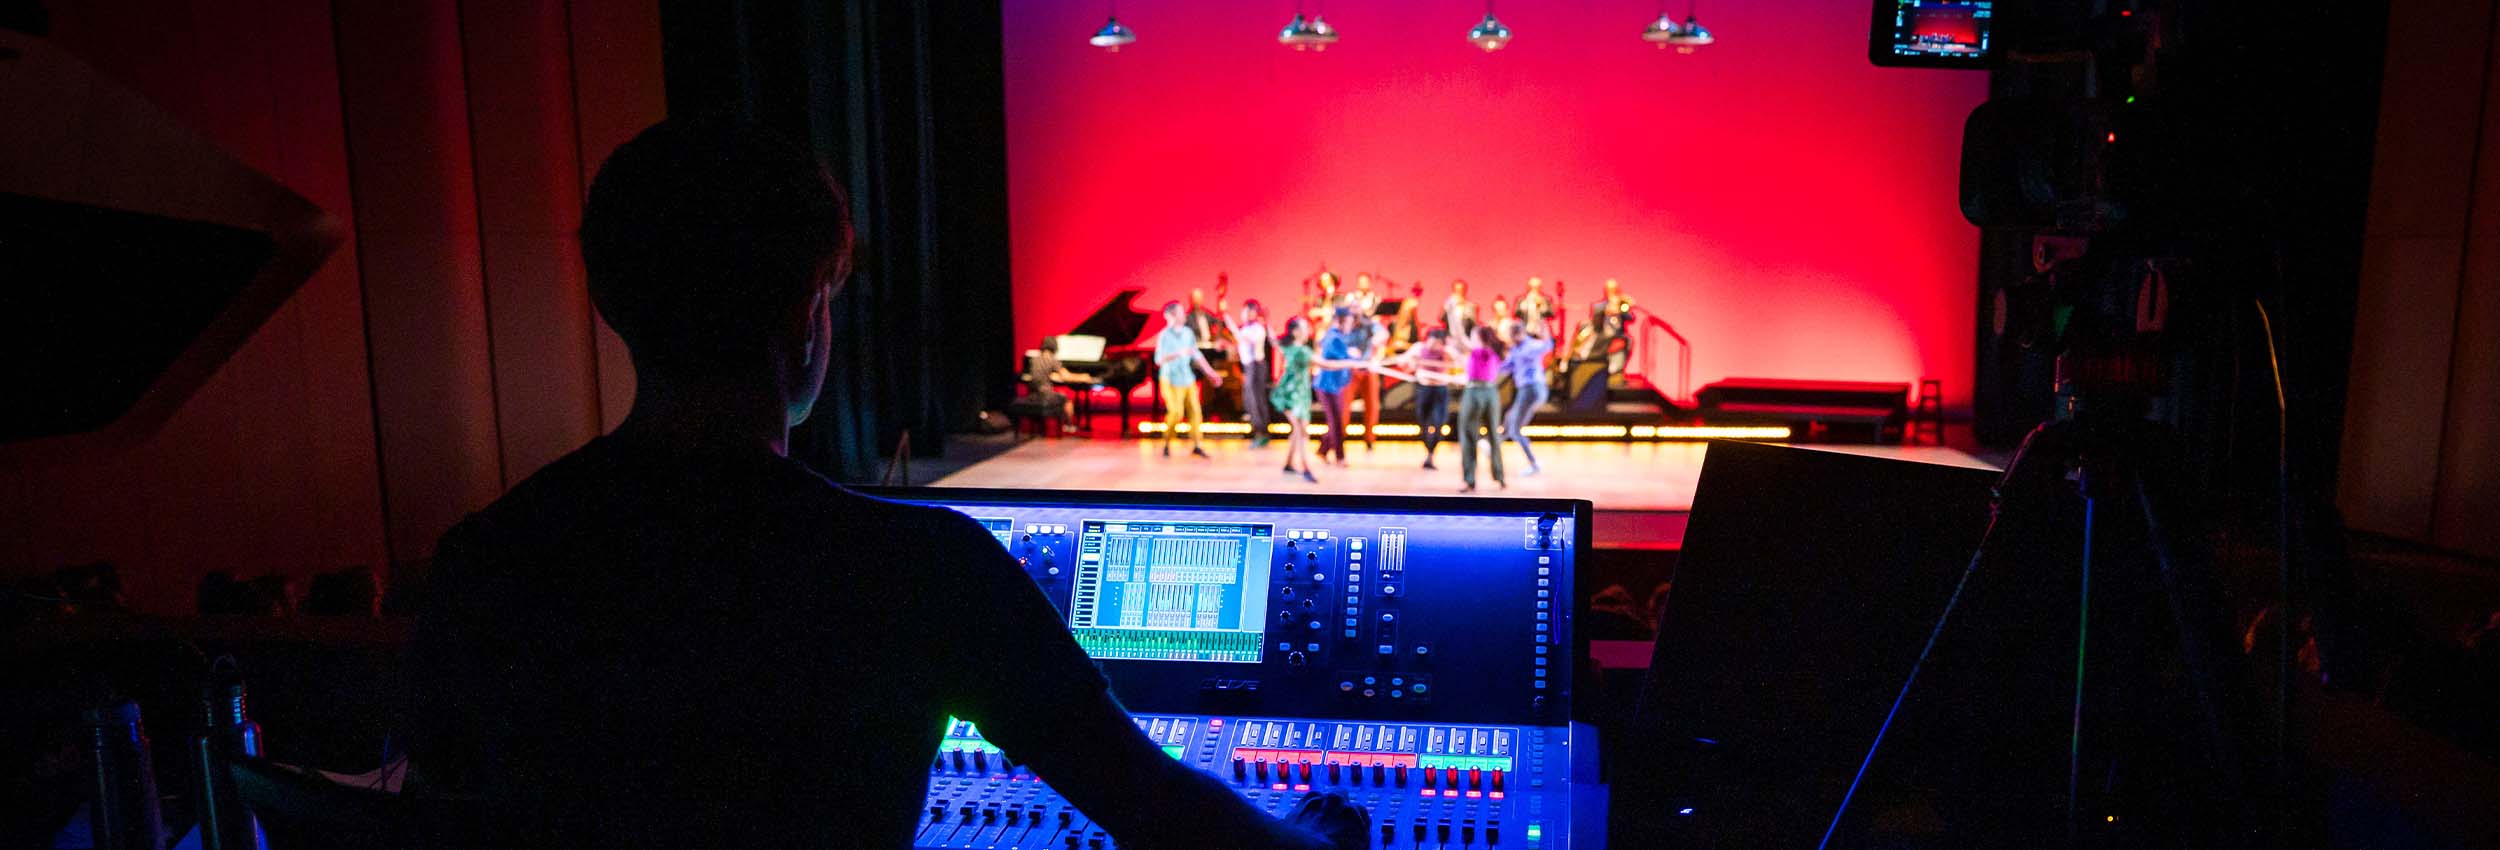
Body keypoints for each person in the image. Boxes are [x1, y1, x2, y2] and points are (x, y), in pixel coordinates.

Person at [404, 118, 1366, 850]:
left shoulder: (486, 556)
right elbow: (1156, 809)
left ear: (611, 305)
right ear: (809, 319)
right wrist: (1320, 834)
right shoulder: (918, 568)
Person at [1155, 299, 1222, 458]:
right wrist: (1178, 353)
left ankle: (1197, 444)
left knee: (1195, 412)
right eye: (1179, 312)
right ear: (1172, 315)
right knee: (1176, 412)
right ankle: (1166, 441)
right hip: (1170, 379)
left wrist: (1211, 373)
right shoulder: (1164, 335)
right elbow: (1159, 359)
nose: (1184, 314)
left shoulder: (1187, 333)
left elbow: (1196, 355)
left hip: (1187, 378)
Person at [1384, 326, 1458, 469]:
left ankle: (1431, 454)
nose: (1433, 346)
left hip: (1440, 389)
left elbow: (1460, 362)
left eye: (1437, 343)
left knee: (1438, 423)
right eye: (1431, 342)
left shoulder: (1448, 352)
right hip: (1424, 388)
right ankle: (1428, 452)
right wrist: (1411, 364)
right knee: (1423, 422)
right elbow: (1402, 361)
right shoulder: (1418, 348)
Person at [1311, 308, 1372, 466]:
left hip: (1335, 386)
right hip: (1326, 387)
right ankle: (1339, 457)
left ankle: (1323, 451)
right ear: (1340, 321)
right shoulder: (1333, 338)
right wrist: (1357, 359)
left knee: (1336, 421)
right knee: (1336, 422)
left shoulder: (1338, 337)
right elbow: (1344, 358)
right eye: (1349, 323)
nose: (1351, 326)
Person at [1455, 324, 1508, 492]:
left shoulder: (1479, 352)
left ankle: (1469, 480)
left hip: (1474, 392)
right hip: (1491, 392)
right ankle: (1499, 477)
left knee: (1468, 435)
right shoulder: (1494, 353)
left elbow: (1458, 337)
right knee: (1494, 435)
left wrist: (1451, 313)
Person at [1500, 318, 1556, 475]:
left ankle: (1533, 463)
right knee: (1510, 417)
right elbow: (1506, 367)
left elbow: (1547, 345)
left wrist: (1544, 329)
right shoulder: (1515, 349)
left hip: (1532, 389)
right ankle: (1494, 445)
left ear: (1519, 334)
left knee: (1515, 429)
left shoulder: (1530, 345)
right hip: (1526, 390)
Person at [1270, 316, 1320, 483]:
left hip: (1298, 395)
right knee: (1300, 429)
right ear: (1296, 331)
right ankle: (1306, 468)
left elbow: (1273, 341)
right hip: (1289, 396)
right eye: (1305, 327)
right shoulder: (1300, 351)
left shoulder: (1289, 347)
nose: (1308, 331)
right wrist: (1351, 363)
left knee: (1299, 429)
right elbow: (1324, 363)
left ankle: (1289, 464)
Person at [1222, 298, 1274, 447]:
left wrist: (1228, 319)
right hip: (1249, 366)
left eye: (1248, 311)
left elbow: (1242, 338)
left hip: (1256, 367)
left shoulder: (1257, 328)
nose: (1244, 314)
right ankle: (1258, 431)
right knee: (1250, 400)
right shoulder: (1246, 328)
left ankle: (1262, 432)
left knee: (1256, 399)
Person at [1027, 336, 1083, 433]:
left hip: (1032, 394)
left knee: (1057, 394)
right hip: (1045, 395)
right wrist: (1083, 376)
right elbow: (1066, 376)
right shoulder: (1052, 359)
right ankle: (1068, 426)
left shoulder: (1034, 359)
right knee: (1067, 400)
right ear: (1054, 347)